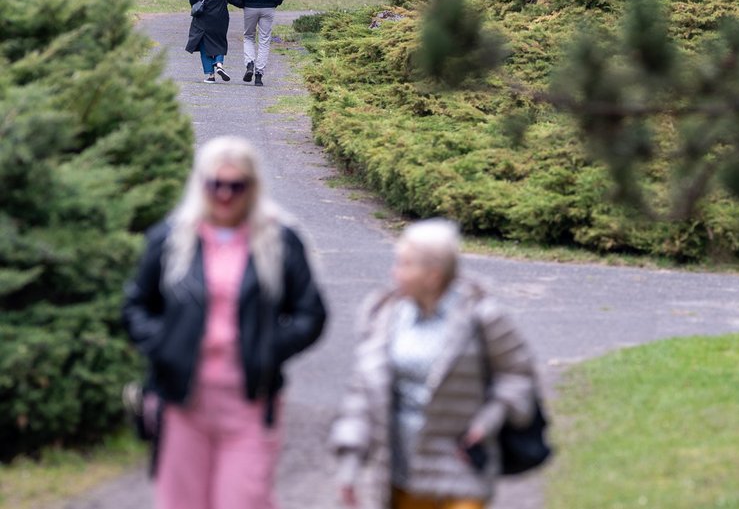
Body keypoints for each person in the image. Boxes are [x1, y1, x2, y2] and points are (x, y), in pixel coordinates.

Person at [122, 135, 328, 509]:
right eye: (216, 184)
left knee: (244, 499)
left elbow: (311, 313)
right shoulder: (171, 239)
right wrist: (166, 344)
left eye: (236, 186)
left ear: (252, 187)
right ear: (201, 185)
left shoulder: (279, 241)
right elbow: (135, 305)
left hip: (249, 401)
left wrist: (268, 348)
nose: (225, 195)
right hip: (182, 400)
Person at [330, 219, 537, 509]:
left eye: (405, 264)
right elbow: (361, 395)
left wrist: (487, 421)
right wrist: (350, 463)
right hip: (401, 474)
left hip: (461, 470)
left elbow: (518, 373)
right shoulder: (384, 316)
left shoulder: (481, 315)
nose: (394, 272)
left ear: (433, 276)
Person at [186, 0, 243, 83]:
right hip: (220, 13)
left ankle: (210, 75)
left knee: (203, 42)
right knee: (219, 39)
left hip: (202, 13)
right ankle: (219, 63)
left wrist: (196, 5)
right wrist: (244, 4)